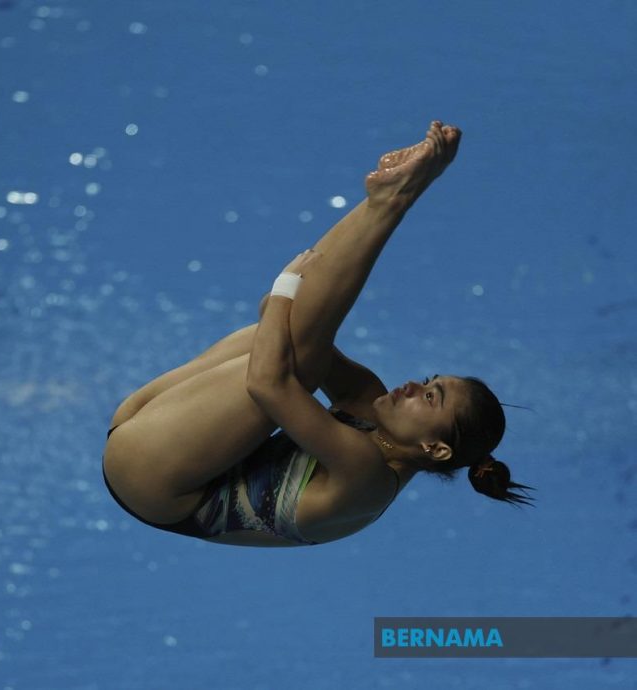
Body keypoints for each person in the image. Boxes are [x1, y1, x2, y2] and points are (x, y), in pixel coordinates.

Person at [102, 121, 534, 547]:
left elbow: (268, 383)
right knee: (292, 343)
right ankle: (386, 200)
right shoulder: (369, 401)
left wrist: (287, 285)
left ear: (435, 449)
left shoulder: (368, 479)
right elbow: (281, 323)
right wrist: (284, 298)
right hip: (150, 425)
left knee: (298, 365)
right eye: (427, 382)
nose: (411, 387)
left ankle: (393, 201)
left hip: (152, 481)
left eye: (429, 397)